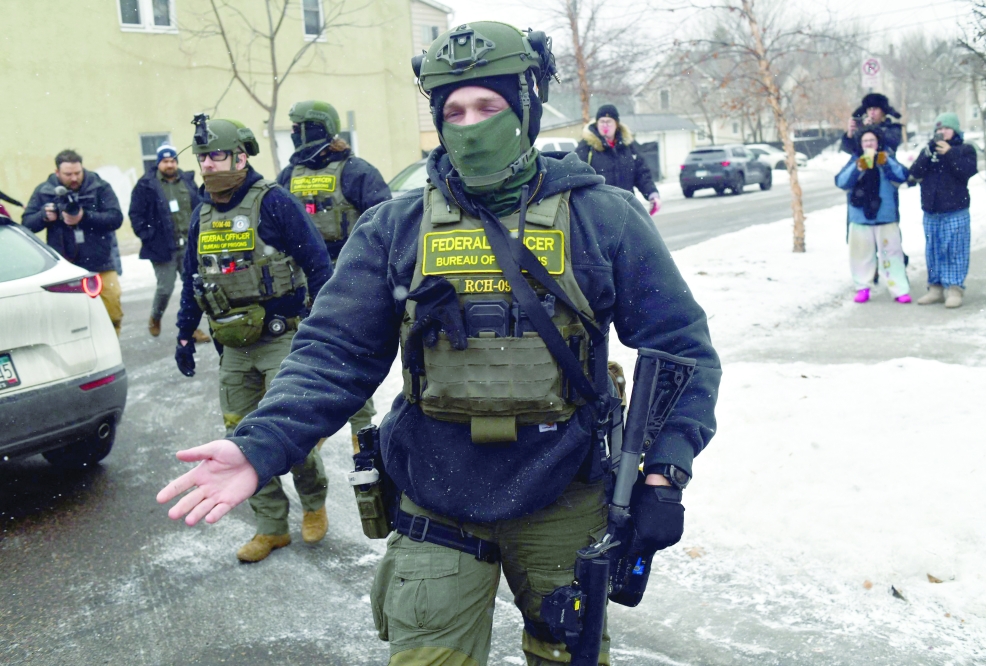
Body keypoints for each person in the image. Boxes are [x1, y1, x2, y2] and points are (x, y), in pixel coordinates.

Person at [158, 22, 721, 665]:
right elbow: (334, 352)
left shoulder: (603, 216)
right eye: (452, 110)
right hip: (437, 493)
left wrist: (663, 470)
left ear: (528, 106)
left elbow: (679, 350)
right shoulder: (395, 227)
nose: (469, 124)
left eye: (489, 105)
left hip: (565, 490)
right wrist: (260, 443)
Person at [172, 116, 334, 562]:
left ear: (241, 156)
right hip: (233, 345)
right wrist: (184, 335)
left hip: (281, 337)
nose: (208, 164)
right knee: (238, 438)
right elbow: (192, 279)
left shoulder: (274, 202)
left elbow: (319, 265)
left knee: (287, 429)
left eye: (216, 155)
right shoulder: (202, 213)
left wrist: (323, 328)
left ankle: (314, 501)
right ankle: (271, 526)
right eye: (202, 157)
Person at [277, 100, 394, 447]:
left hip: (349, 280)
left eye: (302, 128)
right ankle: (308, 425)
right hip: (305, 281)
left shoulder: (356, 171)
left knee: (350, 357)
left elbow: (384, 227)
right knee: (309, 357)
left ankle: (361, 436)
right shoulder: (288, 176)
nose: (298, 136)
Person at [22, 150, 125, 335]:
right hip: (64, 266)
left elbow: (116, 218)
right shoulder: (44, 191)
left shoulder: (99, 187)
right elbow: (26, 224)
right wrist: (44, 216)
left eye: (78, 172)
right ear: (57, 172)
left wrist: (84, 217)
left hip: (100, 261)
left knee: (113, 310)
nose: (74, 178)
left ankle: (111, 346)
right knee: (71, 319)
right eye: (68, 174)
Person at [128, 143, 210, 341]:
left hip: (188, 246)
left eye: (172, 160)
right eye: (165, 161)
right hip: (162, 247)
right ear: (158, 164)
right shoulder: (146, 185)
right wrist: (149, 236)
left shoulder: (188, 182)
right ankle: (155, 316)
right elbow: (135, 214)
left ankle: (191, 328)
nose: (169, 165)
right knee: (165, 287)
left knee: (193, 286)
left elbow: (200, 206)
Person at [908, 113, 979, 308]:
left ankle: (955, 289)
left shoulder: (965, 149)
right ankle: (935, 289)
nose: (942, 132)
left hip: (955, 209)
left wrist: (950, 153)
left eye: (946, 128)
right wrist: (927, 153)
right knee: (933, 251)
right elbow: (914, 174)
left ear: (954, 129)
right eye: (938, 129)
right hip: (931, 210)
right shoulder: (929, 152)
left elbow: (967, 171)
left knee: (955, 249)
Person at [835, 128, 911, 303]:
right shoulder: (855, 160)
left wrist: (885, 163)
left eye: (872, 140)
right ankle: (862, 287)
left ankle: (899, 289)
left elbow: (902, 176)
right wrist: (858, 167)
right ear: (860, 144)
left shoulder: (886, 158)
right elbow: (841, 181)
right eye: (865, 141)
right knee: (861, 255)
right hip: (860, 217)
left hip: (885, 216)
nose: (869, 144)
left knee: (892, 254)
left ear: (878, 143)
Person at [575, 104, 661, 215]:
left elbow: (642, 174)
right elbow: (577, 177)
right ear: (597, 124)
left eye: (609, 121)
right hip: (598, 212)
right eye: (602, 121)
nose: (605, 125)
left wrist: (652, 194)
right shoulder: (586, 147)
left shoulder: (628, 146)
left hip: (626, 209)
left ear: (616, 124)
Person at [841, 93, 903, 157]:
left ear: (883, 111)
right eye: (869, 109)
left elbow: (891, 142)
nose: (872, 112)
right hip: (863, 165)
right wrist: (850, 134)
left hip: (885, 164)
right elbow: (850, 149)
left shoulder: (893, 127)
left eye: (875, 109)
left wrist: (871, 128)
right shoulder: (862, 128)